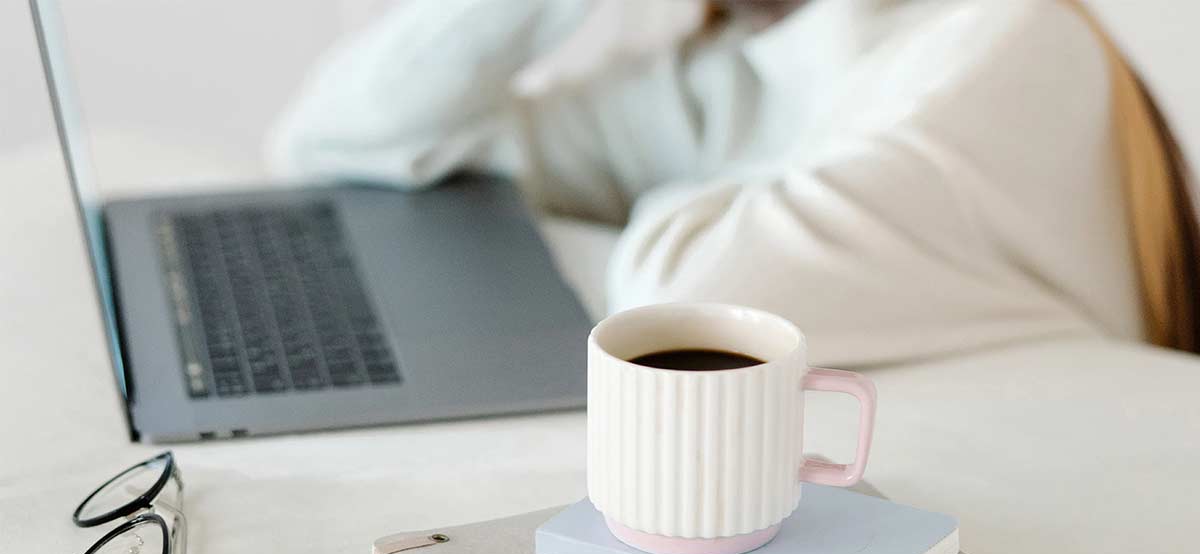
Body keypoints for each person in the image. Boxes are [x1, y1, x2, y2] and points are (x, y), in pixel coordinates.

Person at [269, 0, 1199, 366]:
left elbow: (697, 315)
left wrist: (653, 211)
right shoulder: (736, 67)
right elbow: (334, 145)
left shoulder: (1009, 39)